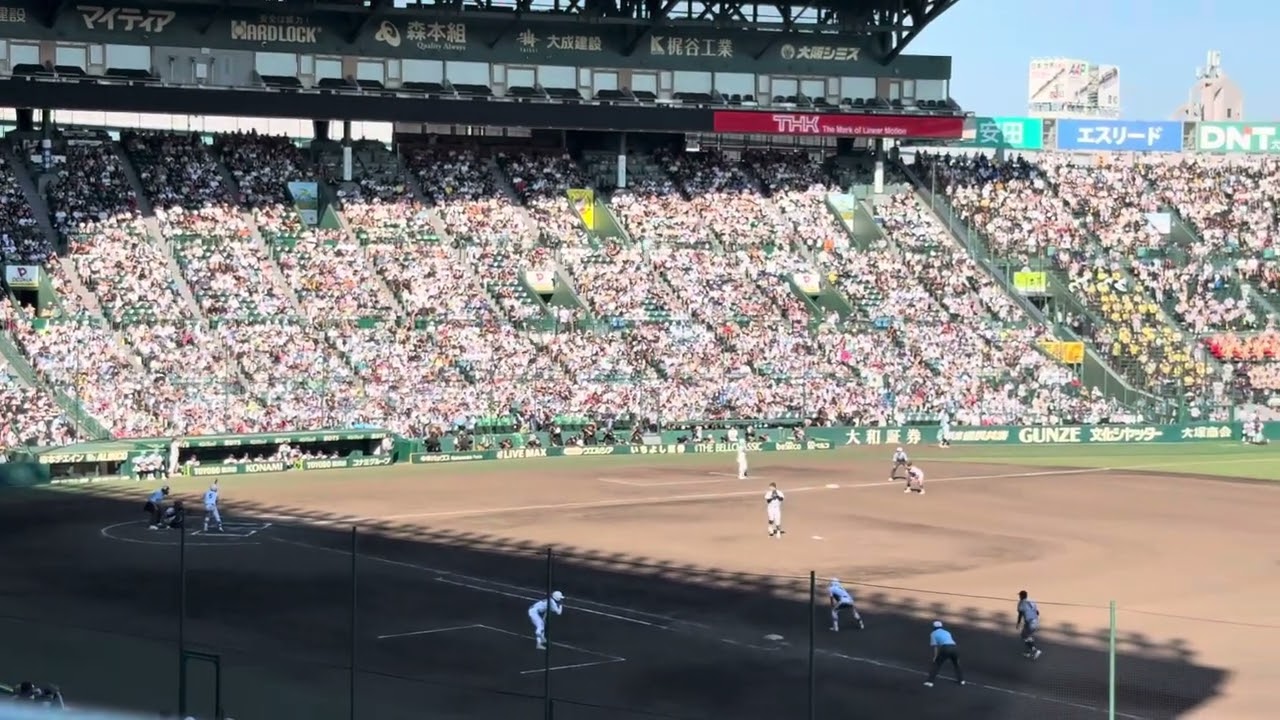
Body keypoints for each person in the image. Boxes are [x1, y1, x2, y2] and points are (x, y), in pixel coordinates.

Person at [924, 620, 964, 687]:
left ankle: (930, 682)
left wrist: (935, 656)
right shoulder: (947, 632)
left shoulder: (933, 633)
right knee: (956, 664)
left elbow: (936, 647)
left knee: (937, 664)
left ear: (934, 627)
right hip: (955, 648)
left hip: (946, 648)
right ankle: (961, 680)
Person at [1016, 590, 1043, 660]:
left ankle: (1035, 651)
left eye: (1019, 595)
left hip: (1030, 623)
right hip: (1035, 621)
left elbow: (1020, 615)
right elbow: (1037, 612)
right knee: (1027, 636)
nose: (1019, 597)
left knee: (1024, 636)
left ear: (1021, 596)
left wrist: (1018, 623)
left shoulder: (1021, 603)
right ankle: (1028, 653)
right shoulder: (1032, 601)